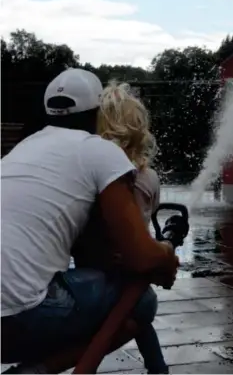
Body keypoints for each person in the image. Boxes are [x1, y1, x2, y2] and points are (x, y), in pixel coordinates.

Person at [1, 69, 178, 374]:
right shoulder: (99, 151)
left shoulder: (22, 149)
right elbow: (141, 257)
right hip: (20, 318)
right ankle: (34, 372)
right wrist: (166, 255)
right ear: (96, 112)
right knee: (141, 301)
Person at [72, 81, 168, 374]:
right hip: (134, 268)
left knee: (118, 318)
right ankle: (158, 368)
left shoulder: (89, 173)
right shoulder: (148, 177)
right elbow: (148, 216)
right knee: (135, 311)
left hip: (95, 265)